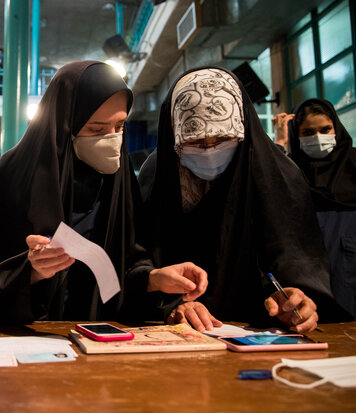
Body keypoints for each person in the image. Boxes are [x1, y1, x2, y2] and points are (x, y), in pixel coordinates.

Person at [0, 61, 209, 324]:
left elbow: (123, 264)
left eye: (120, 126)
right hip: (33, 333)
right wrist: (31, 271)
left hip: (100, 330)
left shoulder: (118, 176)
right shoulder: (15, 173)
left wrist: (153, 278)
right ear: (66, 123)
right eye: (96, 129)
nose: (113, 139)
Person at [138, 67, 347, 333]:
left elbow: (294, 256)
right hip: (175, 330)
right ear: (174, 135)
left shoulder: (277, 173)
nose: (210, 150)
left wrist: (295, 299)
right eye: (195, 141)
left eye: (223, 139)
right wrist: (169, 304)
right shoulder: (156, 174)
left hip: (256, 328)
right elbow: (139, 260)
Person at [273, 99, 356, 319]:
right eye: (308, 132)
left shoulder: (354, 164)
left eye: (325, 129)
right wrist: (280, 142)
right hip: (306, 271)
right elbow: (267, 182)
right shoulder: (291, 170)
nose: (318, 137)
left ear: (336, 128)